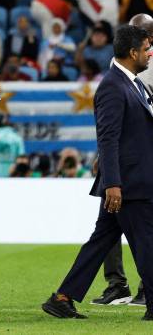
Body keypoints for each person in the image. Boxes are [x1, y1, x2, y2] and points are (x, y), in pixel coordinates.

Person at [42, 25, 153, 321]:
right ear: (132, 53)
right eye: (146, 48)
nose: (150, 53)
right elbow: (108, 137)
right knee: (146, 241)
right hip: (128, 184)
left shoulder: (133, 83)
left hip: (130, 179)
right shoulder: (113, 87)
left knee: (101, 241)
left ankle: (62, 298)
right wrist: (113, 184)